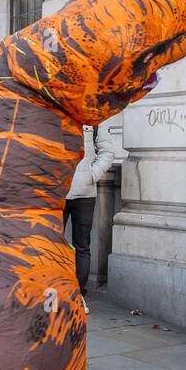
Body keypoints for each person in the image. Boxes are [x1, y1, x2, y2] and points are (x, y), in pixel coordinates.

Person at [64, 119, 118, 314]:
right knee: (51, 246)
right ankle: (53, 292)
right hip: (56, 193)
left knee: (82, 247)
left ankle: (78, 295)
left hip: (85, 194)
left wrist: (91, 175)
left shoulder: (94, 117)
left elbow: (107, 152)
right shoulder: (53, 107)